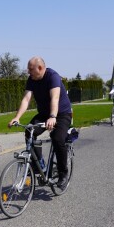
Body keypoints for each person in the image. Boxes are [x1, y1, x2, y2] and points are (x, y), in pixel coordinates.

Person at [8, 56, 72, 190]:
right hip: (44, 114)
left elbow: (55, 98)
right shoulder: (32, 79)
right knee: (29, 131)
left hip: (61, 114)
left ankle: (63, 174)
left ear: (40, 68)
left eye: (30, 69)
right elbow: (26, 99)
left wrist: (53, 116)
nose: (28, 72)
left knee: (57, 138)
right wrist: (17, 117)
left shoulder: (52, 76)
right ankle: (39, 165)